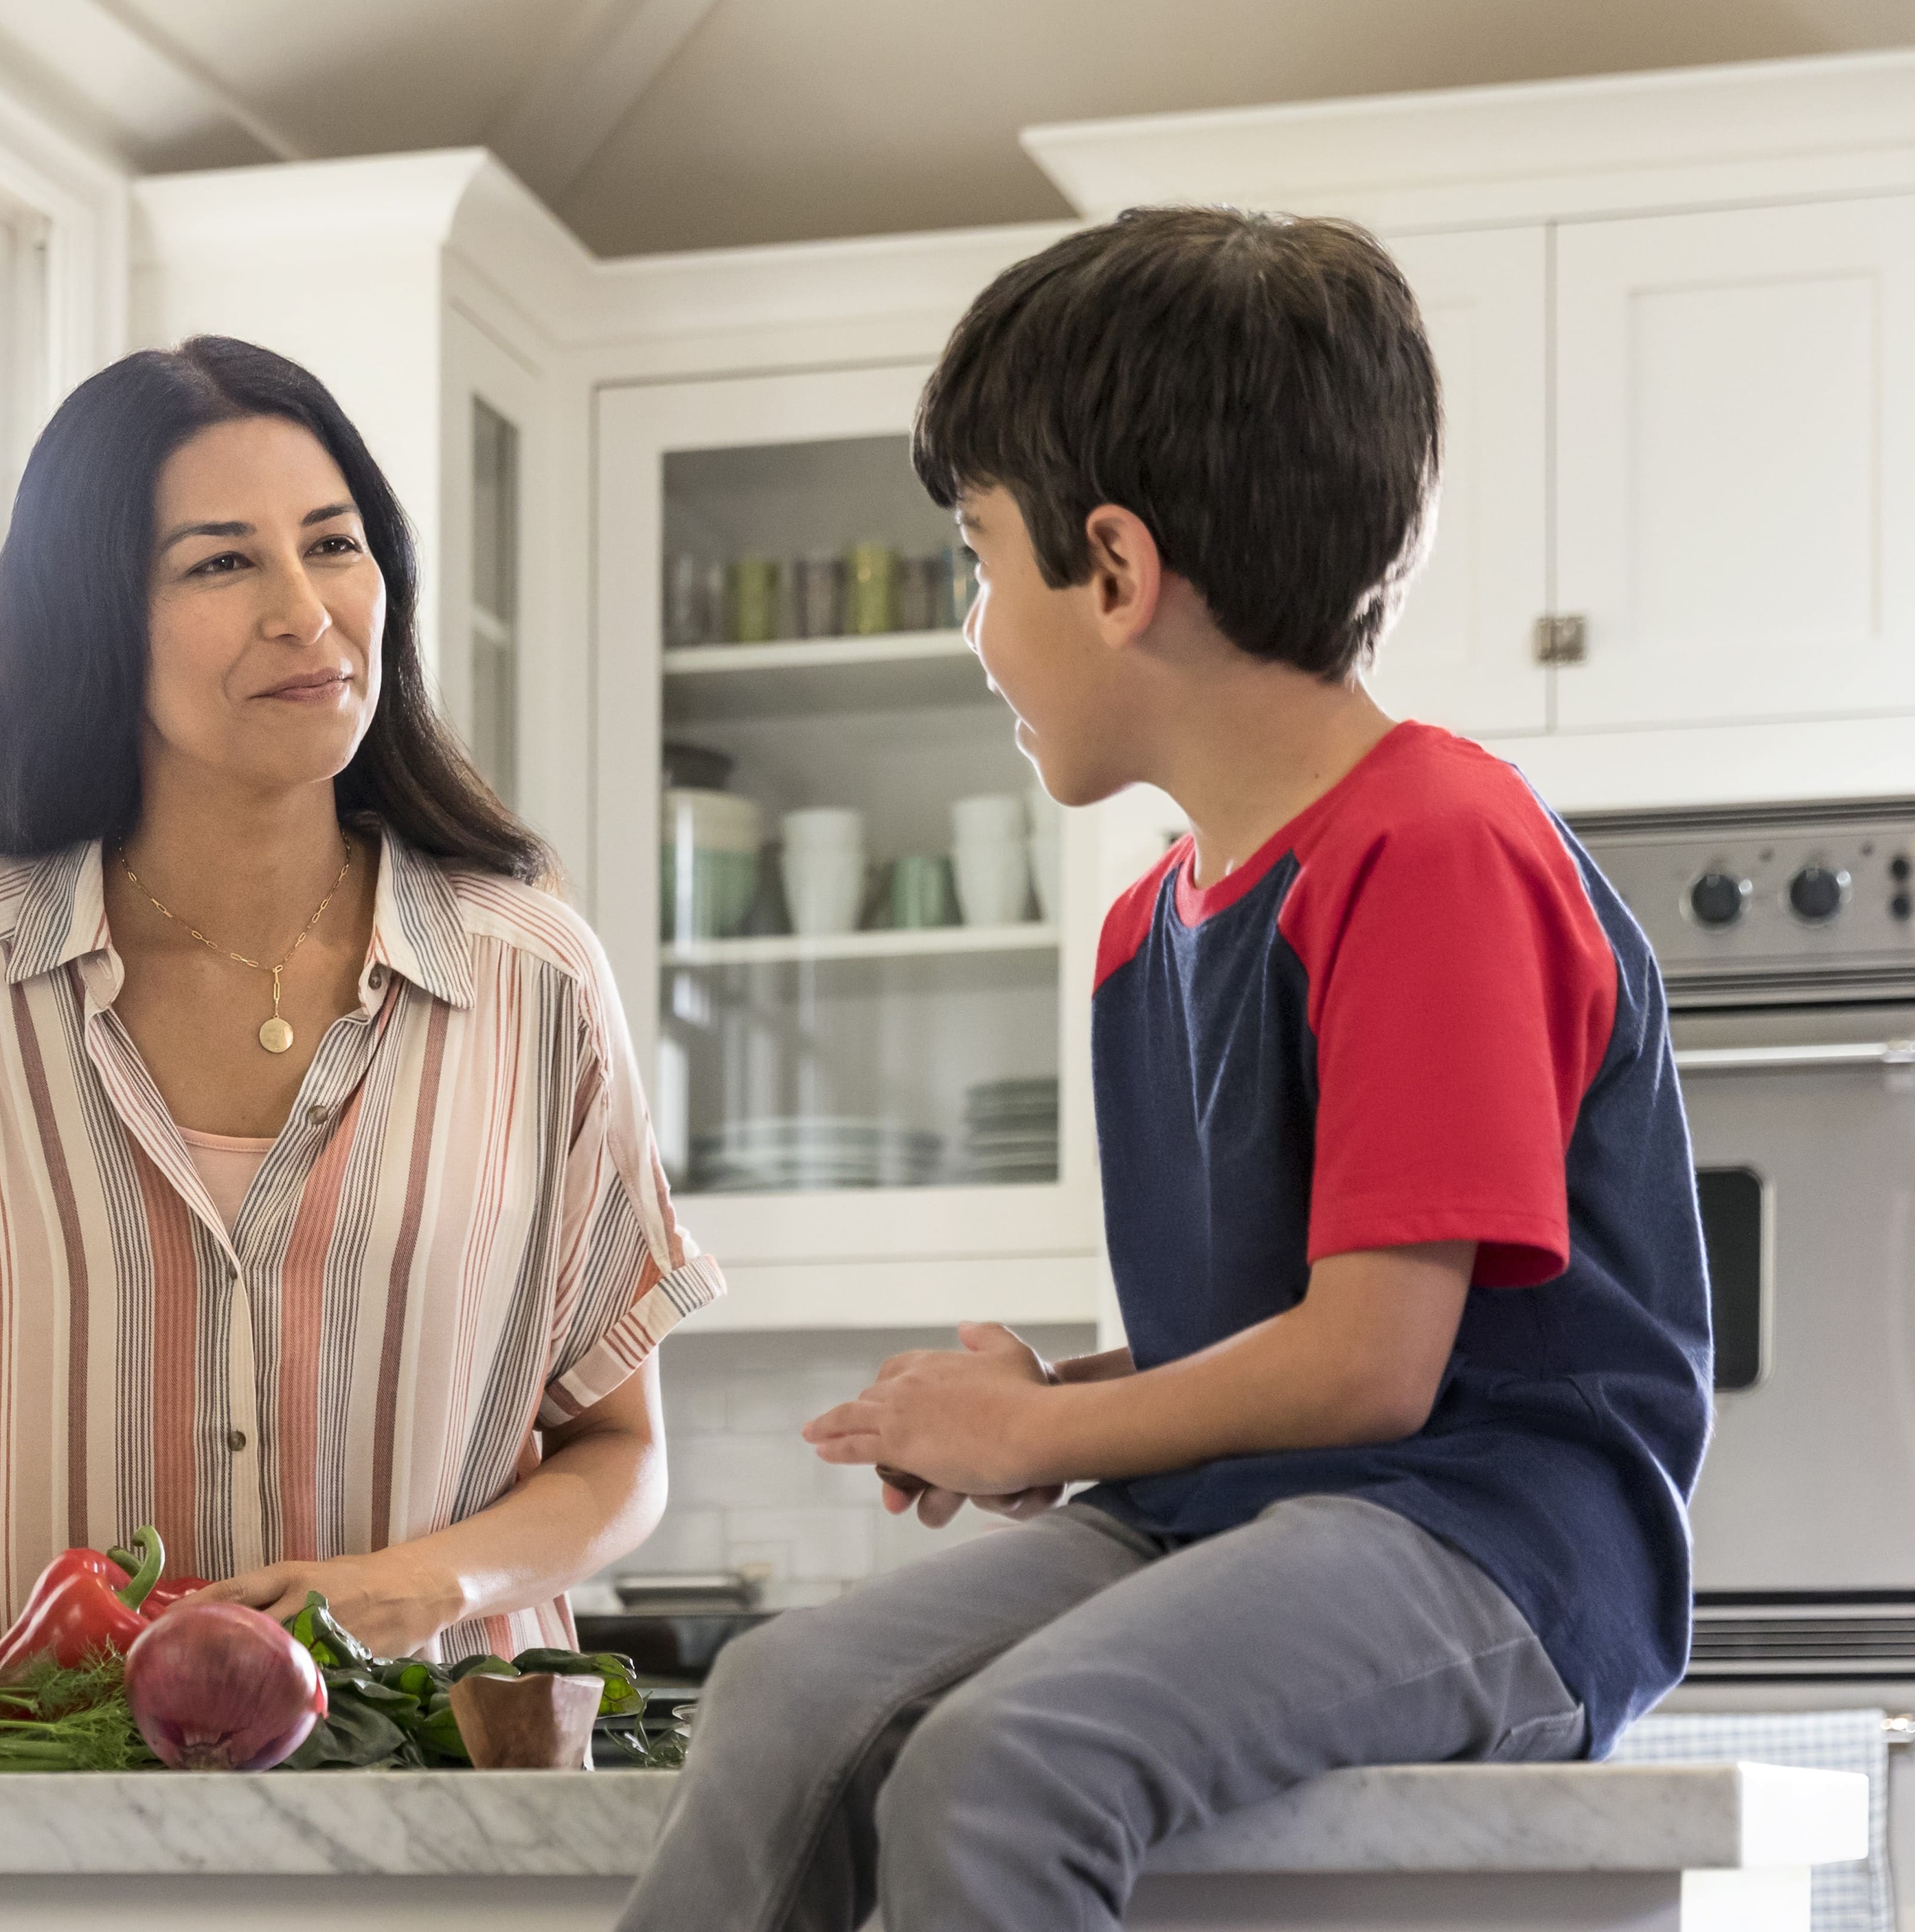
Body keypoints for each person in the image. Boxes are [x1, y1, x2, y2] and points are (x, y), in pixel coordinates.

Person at [618, 207, 1710, 1931]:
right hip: (1242, 1509)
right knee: (780, 1700)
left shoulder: (1436, 845)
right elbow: (1275, 1330)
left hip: (1494, 1539)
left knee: (1009, 1763)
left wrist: (1051, 1420)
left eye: (983, 558)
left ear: (1115, 571)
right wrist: (1046, 1409)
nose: (977, 629)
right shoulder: (1153, 926)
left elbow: (1371, 1367)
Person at [0, 335, 721, 1673]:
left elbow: (621, 1449)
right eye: (220, 562)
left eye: (333, 545)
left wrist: (414, 1591)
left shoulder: (534, 983)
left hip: (432, 1812)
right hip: (15, 1819)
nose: (306, 611)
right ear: (92, 618)